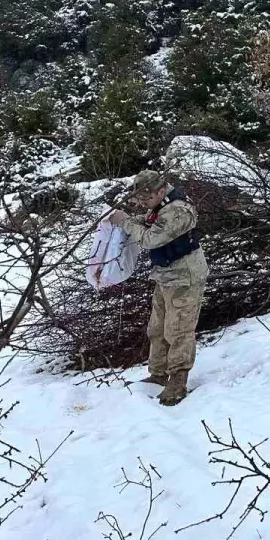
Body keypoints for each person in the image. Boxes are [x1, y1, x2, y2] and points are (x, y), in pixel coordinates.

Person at [108, 170, 208, 405]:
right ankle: (158, 374)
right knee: (157, 327)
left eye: (146, 198)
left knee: (179, 328)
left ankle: (178, 380)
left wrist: (125, 221)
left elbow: (151, 239)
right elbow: (148, 220)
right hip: (165, 275)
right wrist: (127, 220)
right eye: (140, 199)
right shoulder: (161, 205)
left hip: (184, 277)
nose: (143, 203)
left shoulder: (178, 210)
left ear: (161, 189)